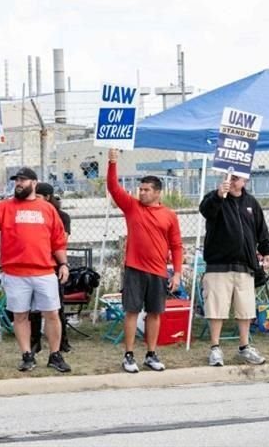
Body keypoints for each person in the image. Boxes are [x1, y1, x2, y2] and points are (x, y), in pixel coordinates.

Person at [0, 167, 71, 373]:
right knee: (20, 316)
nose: (18, 183)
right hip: (15, 272)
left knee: (52, 314)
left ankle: (55, 355)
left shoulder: (47, 209)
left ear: (34, 183)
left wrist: (63, 264)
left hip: (45, 271)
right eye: (16, 180)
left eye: (23, 180)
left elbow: (58, 240)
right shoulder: (5, 206)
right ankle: (27, 355)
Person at [107, 150, 183, 373]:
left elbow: (177, 245)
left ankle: (151, 353)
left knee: (155, 313)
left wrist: (176, 273)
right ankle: (129, 355)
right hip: (135, 269)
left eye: (146, 190)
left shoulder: (169, 215)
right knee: (131, 311)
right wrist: (112, 162)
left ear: (158, 192)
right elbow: (113, 187)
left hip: (158, 272)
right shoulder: (132, 207)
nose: (141, 193)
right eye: (140, 189)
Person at [200, 173, 269, 366]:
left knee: (245, 309)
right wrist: (218, 195)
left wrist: (267, 252)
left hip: (245, 265)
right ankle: (215, 348)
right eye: (229, 178)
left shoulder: (251, 203)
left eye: (236, 179)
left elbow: (261, 231)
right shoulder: (214, 198)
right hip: (218, 265)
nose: (232, 182)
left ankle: (244, 346)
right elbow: (206, 211)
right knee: (216, 308)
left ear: (245, 181)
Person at [29, 182, 71, 354]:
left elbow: (62, 240)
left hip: (53, 265)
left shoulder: (62, 216)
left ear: (46, 197)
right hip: (35, 264)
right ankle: (35, 342)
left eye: (37, 197)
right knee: (33, 308)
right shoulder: (33, 213)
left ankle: (63, 343)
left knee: (56, 306)